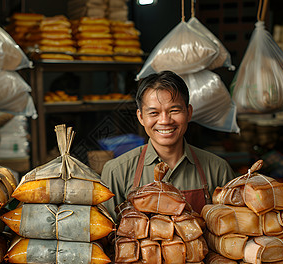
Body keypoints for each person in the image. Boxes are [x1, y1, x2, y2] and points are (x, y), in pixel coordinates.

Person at [101, 70, 235, 220]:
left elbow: (232, 230)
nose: (165, 120)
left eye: (174, 110)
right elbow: (107, 237)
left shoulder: (217, 169)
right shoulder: (117, 172)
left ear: (189, 112)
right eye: (154, 113)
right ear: (141, 117)